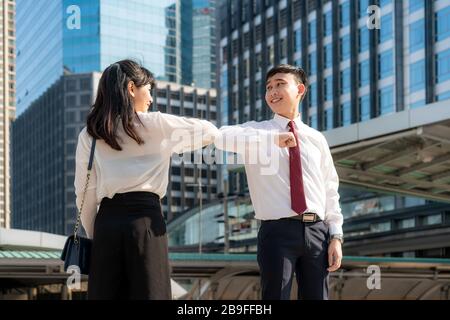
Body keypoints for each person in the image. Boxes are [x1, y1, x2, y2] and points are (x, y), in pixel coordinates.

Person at [74, 59, 219, 299]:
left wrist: (95, 237)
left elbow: (84, 193)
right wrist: (172, 141)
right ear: (132, 89)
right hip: (145, 221)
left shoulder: (91, 134)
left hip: (107, 224)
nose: (150, 99)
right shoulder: (157, 124)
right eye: (148, 90)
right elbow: (210, 132)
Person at [215, 64, 344, 300]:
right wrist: (273, 138)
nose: (272, 91)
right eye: (268, 87)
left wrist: (336, 236)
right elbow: (221, 137)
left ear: (300, 89)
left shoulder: (316, 139)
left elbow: (330, 189)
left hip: (318, 232)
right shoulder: (257, 132)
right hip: (277, 231)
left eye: (280, 84)